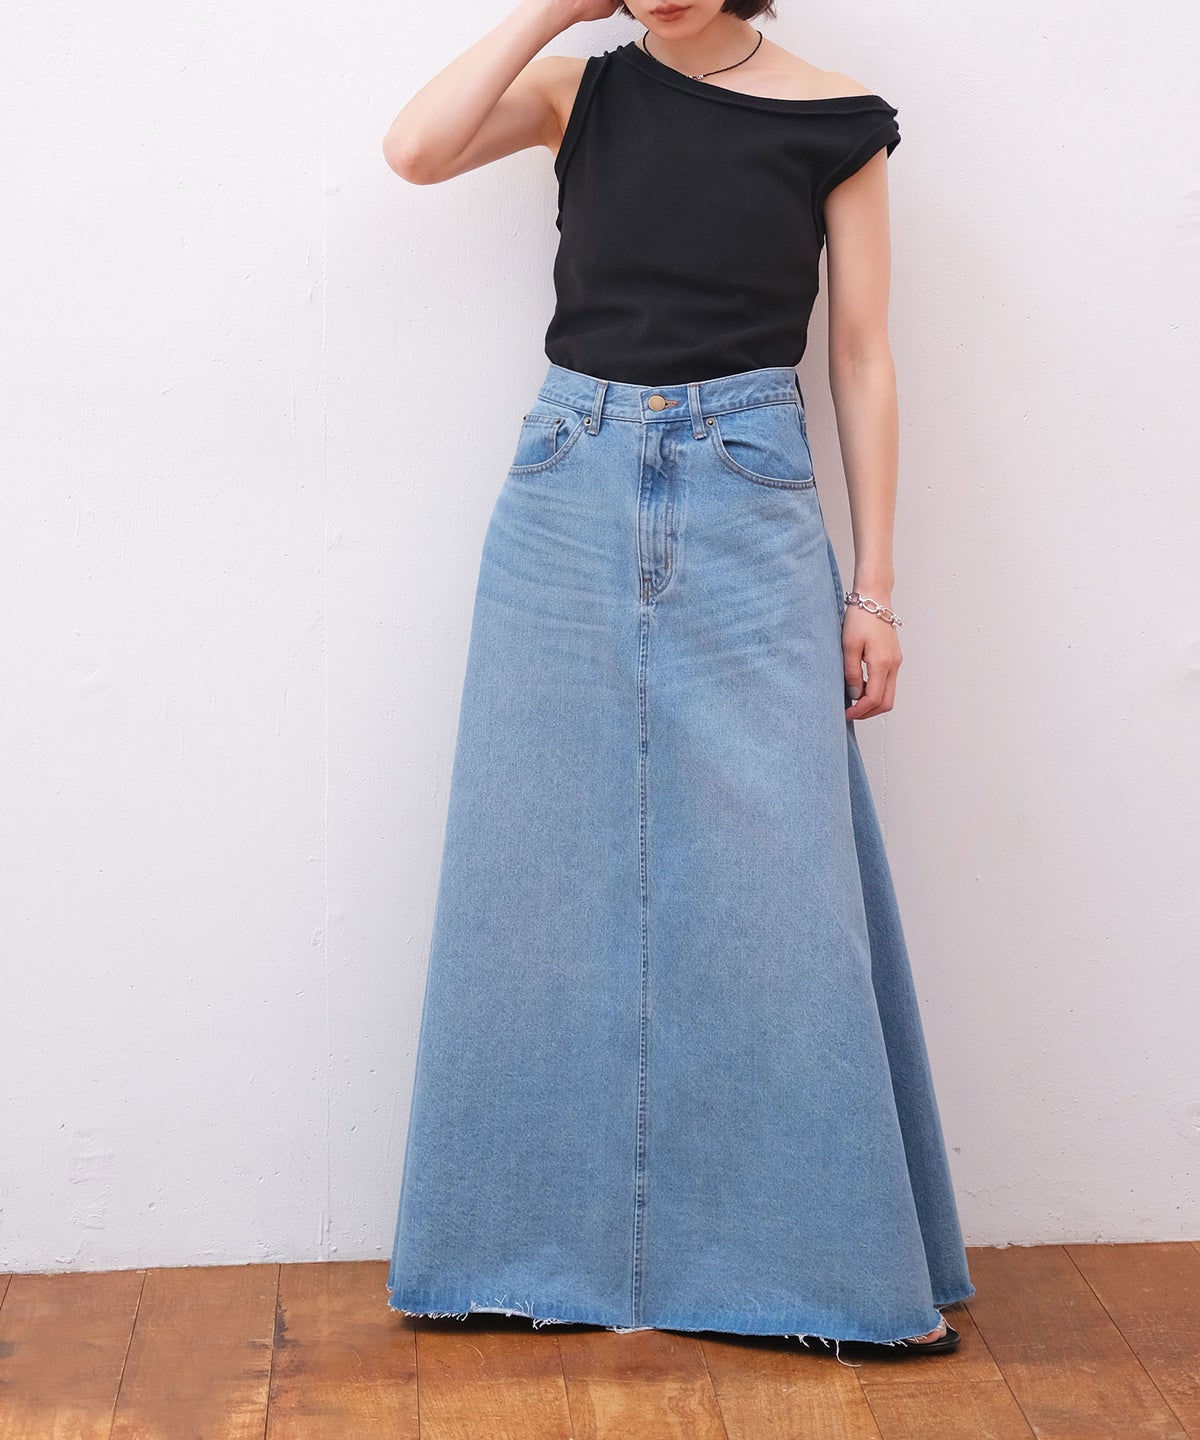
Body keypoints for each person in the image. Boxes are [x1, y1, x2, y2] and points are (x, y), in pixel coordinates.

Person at [381, 0, 974, 1358]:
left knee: (784, 883)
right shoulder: (575, 92)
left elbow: (862, 353)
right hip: (565, 478)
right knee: (530, 864)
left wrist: (875, 588)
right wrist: (554, 9)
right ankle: (510, 1260)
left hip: (750, 485)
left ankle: (818, 1274)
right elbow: (414, 152)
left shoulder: (837, 119)